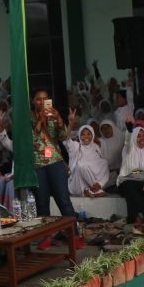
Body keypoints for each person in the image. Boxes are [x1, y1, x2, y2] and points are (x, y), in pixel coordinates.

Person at [30, 89, 76, 218]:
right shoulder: (29, 117)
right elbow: (30, 141)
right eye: (39, 99)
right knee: (42, 204)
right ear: (33, 101)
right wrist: (40, 120)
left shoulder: (53, 115)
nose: (42, 102)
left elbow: (62, 137)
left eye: (45, 99)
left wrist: (60, 120)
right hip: (37, 165)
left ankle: (74, 234)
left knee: (64, 201)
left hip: (55, 162)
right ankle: (45, 237)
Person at [65, 125, 109, 198]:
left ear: (93, 135)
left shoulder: (95, 147)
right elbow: (67, 141)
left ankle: (95, 187)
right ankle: (96, 189)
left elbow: (98, 166)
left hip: (90, 186)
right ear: (79, 135)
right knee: (81, 165)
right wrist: (70, 124)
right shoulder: (76, 146)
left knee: (104, 162)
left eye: (88, 134)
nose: (86, 137)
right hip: (76, 184)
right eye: (83, 134)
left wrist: (100, 183)